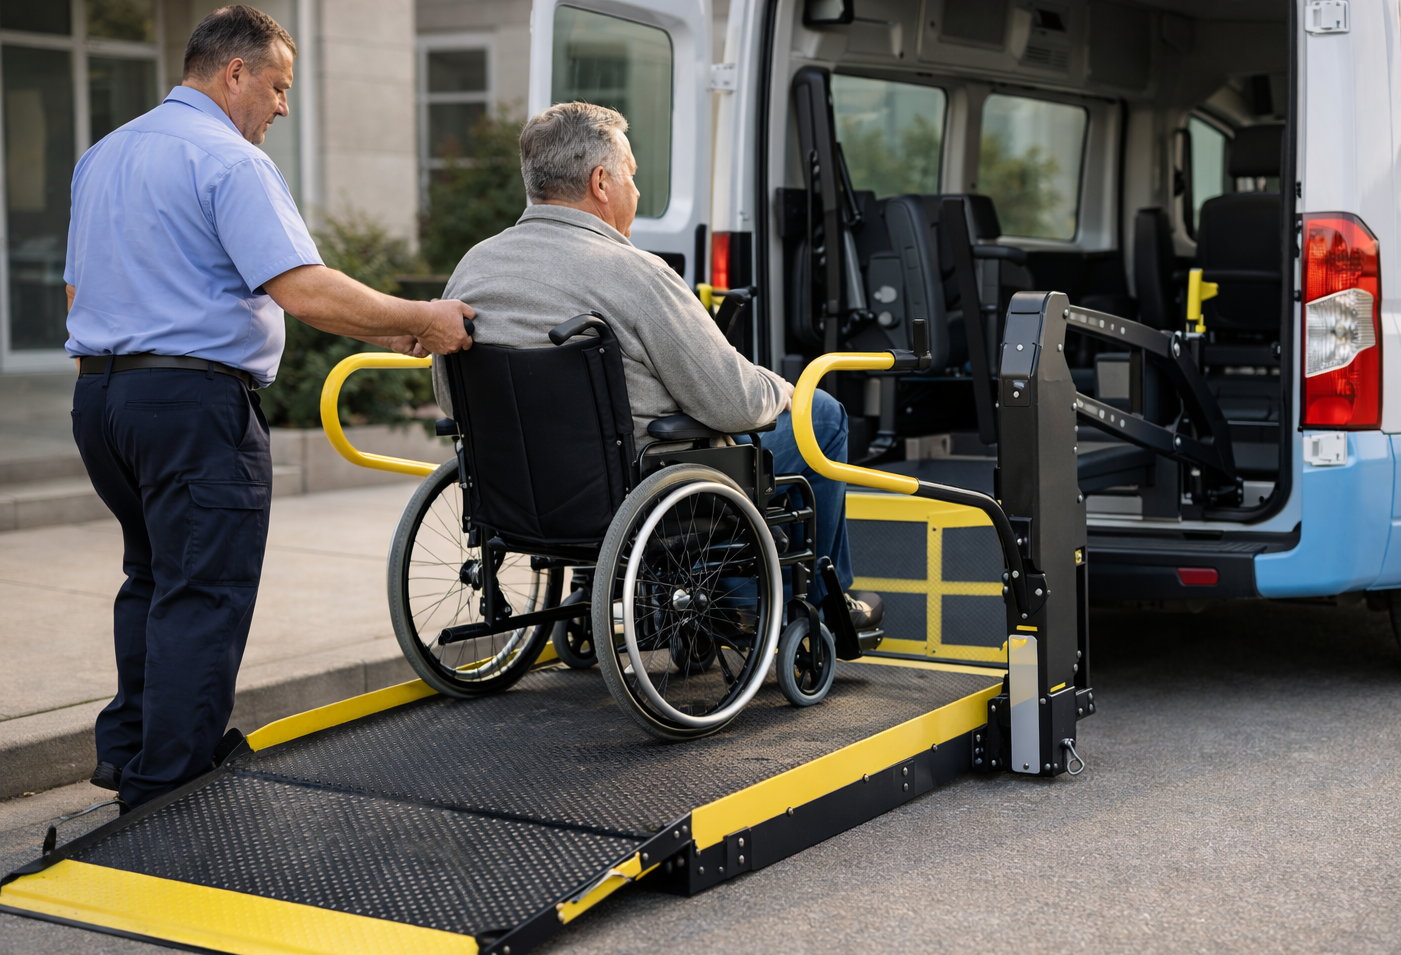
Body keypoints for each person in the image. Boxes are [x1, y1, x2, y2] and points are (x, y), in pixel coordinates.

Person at [65, 5, 474, 810]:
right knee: (204, 589)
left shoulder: (104, 154)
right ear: (235, 73)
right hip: (192, 404)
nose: (283, 106)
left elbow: (79, 292)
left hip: (104, 399)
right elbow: (304, 287)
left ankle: (131, 750)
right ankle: (169, 785)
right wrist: (422, 319)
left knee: (152, 576)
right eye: (279, 87)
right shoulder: (228, 160)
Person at [434, 101, 882, 625]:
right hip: (643, 489)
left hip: (513, 497)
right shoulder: (634, 273)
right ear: (601, 182)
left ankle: (741, 598)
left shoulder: (474, 267)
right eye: (631, 175)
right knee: (820, 413)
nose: (637, 192)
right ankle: (817, 605)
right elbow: (733, 402)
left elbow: (451, 399)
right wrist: (779, 389)